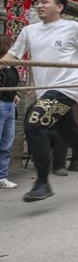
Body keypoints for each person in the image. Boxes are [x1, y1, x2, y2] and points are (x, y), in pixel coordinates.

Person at [0, 0, 78, 201]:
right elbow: (12, 56)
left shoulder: (72, 28)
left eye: (45, 2)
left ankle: (42, 182)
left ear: (59, 7)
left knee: (33, 124)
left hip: (66, 89)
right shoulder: (29, 31)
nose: (39, 5)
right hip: (46, 92)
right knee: (72, 135)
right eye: (37, 2)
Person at [0, 35, 20, 189]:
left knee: (6, 144)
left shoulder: (10, 66)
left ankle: (2, 176)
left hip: (9, 107)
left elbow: (11, 84)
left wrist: (15, 95)